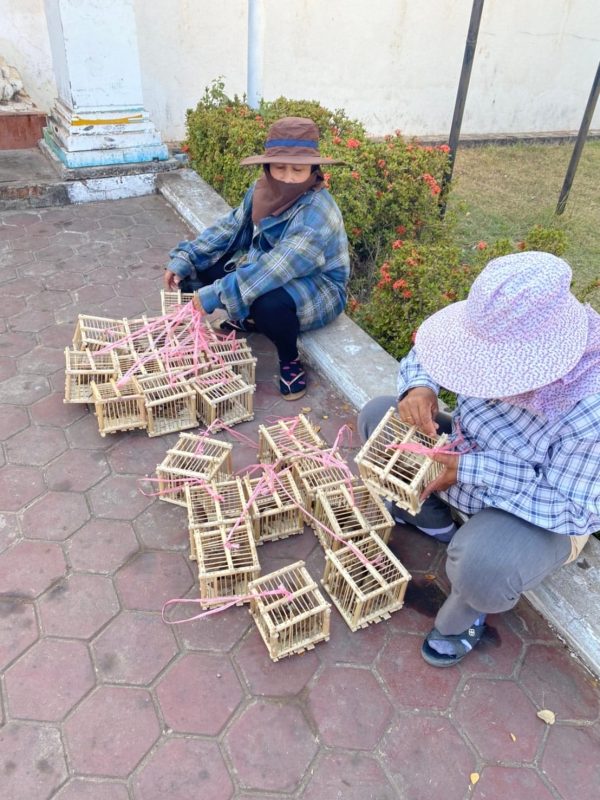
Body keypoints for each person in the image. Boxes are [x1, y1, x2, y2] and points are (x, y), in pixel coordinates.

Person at [358, 251, 600, 667]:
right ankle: (435, 521)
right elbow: (428, 355)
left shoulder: (588, 407)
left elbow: (572, 507)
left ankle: (464, 617)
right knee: (378, 418)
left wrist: (465, 471)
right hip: (468, 455)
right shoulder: (496, 325)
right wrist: (419, 390)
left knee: (485, 566)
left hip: (544, 509)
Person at [164, 116, 349, 401]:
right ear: (267, 167)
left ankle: (290, 361)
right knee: (200, 273)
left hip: (318, 286)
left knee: (267, 304)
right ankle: (249, 320)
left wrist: (216, 294)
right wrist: (186, 257)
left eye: (298, 169)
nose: (287, 177)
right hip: (266, 270)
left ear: (313, 169)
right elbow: (229, 227)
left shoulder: (317, 211)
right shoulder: (262, 189)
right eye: (279, 168)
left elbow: (278, 267)